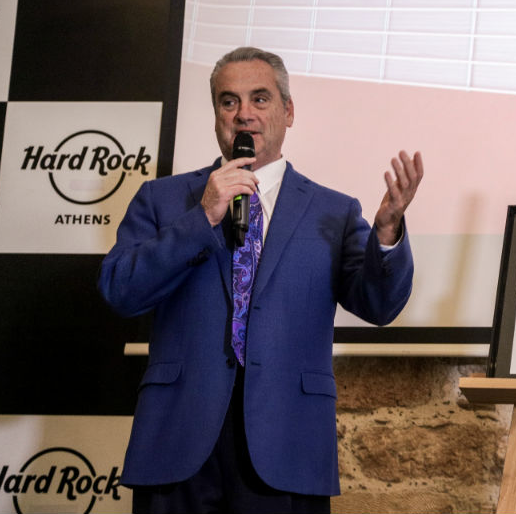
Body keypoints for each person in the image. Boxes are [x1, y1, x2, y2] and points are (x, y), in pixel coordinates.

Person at [98, 46, 423, 514]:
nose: (243, 114)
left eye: (260, 99)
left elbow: (380, 305)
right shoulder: (162, 200)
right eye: (229, 101)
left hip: (287, 442)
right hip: (178, 439)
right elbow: (120, 290)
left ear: (288, 111)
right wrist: (202, 218)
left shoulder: (333, 211)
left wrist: (388, 231)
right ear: (216, 115)